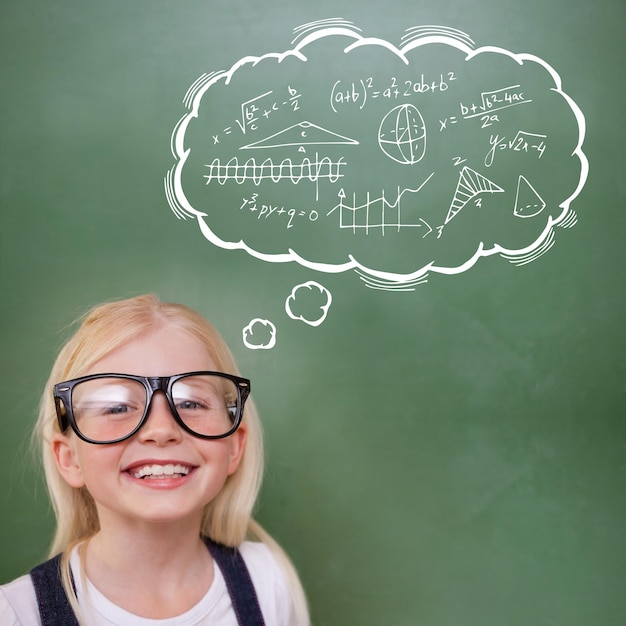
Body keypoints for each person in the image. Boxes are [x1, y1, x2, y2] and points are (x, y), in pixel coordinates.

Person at [0, 294, 310, 625]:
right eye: (117, 407)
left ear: (234, 446)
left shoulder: (267, 582)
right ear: (69, 459)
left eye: (191, 402)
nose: (161, 429)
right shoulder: (16, 613)